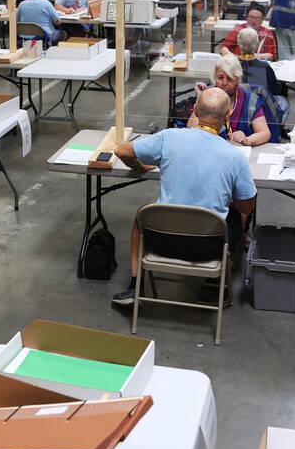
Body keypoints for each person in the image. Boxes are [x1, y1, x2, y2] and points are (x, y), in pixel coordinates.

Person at [110, 87, 257, 306]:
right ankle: (214, 287)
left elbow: (122, 151)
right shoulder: (235, 157)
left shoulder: (169, 137)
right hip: (209, 246)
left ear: (195, 110)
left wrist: (139, 166)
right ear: (227, 116)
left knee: (142, 214)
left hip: (161, 240)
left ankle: (135, 287)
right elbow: (246, 206)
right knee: (239, 217)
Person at [190, 54, 271, 146]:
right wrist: (200, 98)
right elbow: (191, 131)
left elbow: (265, 133)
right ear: (214, 78)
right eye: (220, 78)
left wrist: (247, 139)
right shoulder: (208, 98)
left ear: (237, 79)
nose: (224, 83)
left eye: (230, 78)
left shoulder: (250, 101)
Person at [235, 27, 286, 101]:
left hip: (237, 104)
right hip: (260, 106)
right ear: (257, 44)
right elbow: (275, 90)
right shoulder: (264, 67)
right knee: (284, 101)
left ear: (238, 43)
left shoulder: (232, 65)